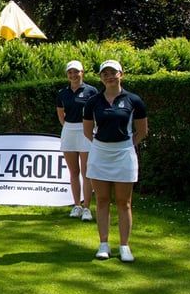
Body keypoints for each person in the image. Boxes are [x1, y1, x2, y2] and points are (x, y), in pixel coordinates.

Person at [83, 60, 148, 262]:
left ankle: (124, 246)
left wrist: (125, 145)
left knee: (124, 203)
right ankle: (103, 244)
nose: (109, 76)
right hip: (100, 154)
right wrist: (104, 145)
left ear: (121, 74)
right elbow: (87, 131)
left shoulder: (134, 100)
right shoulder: (93, 102)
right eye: (105, 73)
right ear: (101, 77)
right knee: (102, 200)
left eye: (113, 72)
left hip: (124, 155)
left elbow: (142, 131)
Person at [57, 60, 99, 221]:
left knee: (86, 172)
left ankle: (87, 208)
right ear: (67, 74)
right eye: (70, 72)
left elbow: (97, 112)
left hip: (85, 131)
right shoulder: (62, 93)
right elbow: (61, 114)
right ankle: (77, 205)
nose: (73, 75)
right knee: (74, 172)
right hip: (69, 130)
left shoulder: (91, 91)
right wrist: (68, 126)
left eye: (76, 72)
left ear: (82, 72)